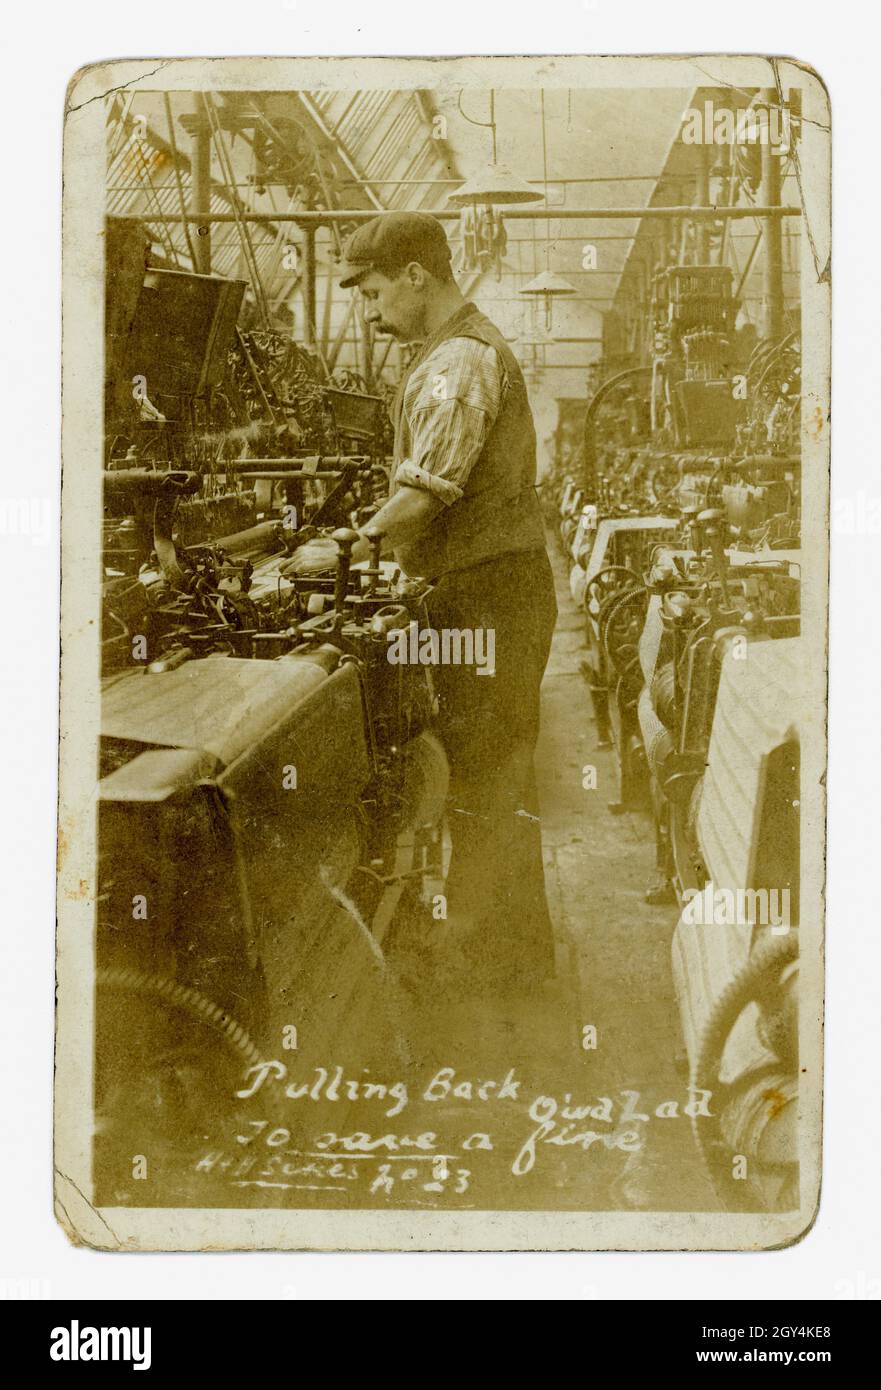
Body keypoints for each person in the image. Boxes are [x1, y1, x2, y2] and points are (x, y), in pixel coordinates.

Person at [292, 211, 558, 991]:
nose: (368, 312)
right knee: (481, 774)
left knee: (486, 777)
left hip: (489, 598)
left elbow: (426, 493)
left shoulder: (457, 362)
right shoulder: (443, 356)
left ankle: (496, 969)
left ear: (416, 274)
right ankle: (495, 951)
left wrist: (342, 550)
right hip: (482, 589)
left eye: (373, 292)